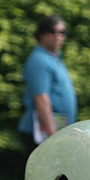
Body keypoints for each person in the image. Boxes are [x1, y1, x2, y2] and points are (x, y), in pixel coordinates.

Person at [18, 15, 76, 154]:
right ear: (41, 34)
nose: (58, 36)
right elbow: (40, 98)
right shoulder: (39, 60)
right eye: (52, 31)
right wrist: (52, 135)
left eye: (62, 32)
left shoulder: (53, 58)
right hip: (42, 134)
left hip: (55, 130)